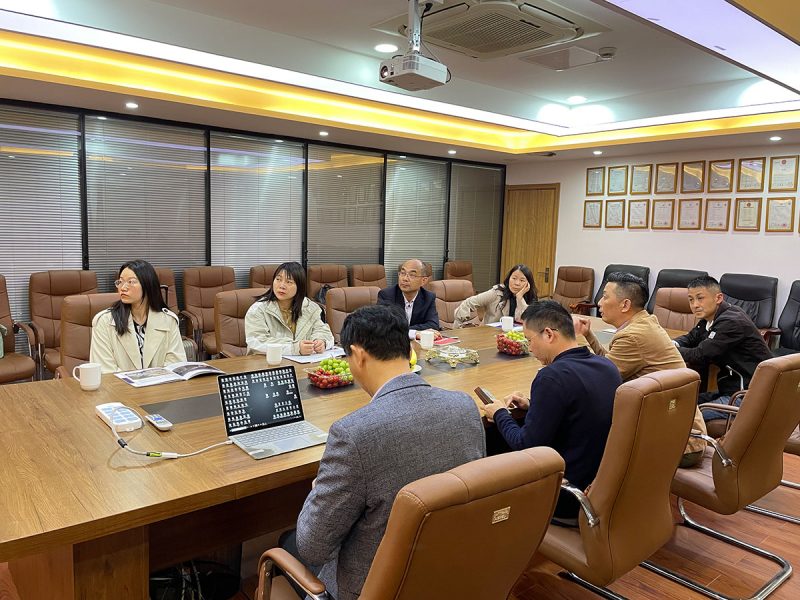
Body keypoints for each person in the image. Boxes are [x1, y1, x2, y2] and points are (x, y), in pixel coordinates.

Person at [293, 304, 485, 600]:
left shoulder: (353, 433)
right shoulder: (464, 406)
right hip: (448, 573)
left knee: (290, 543)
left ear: (357, 355)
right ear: (409, 349)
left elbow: (312, 547)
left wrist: (318, 491)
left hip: (375, 587)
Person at [483, 301, 620, 523]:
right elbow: (579, 409)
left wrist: (499, 413)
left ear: (548, 334)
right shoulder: (607, 366)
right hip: (601, 485)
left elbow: (525, 445)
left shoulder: (552, 377)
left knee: (492, 438)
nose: (530, 348)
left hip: (566, 494)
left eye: (529, 340)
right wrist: (532, 405)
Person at [573, 271, 707, 467]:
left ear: (625, 305)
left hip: (680, 444)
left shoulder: (633, 336)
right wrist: (589, 335)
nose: (599, 302)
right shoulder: (644, 322)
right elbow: (608, 366)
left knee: (583, 422)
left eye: (605, 296)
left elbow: (601, 379)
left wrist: (565, 354)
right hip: (682, 433)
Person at [674, 275, 772, 420]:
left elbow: (700, 355)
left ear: (718, 298)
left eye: (700, 298)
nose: (695, 305)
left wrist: (668, 350)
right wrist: (672, 344)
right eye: (691, 299)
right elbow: (690, 338)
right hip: (730, 388)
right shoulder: (711, 317)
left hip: (748, 394)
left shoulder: (731, 321)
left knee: (687, 416)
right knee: (678, 404)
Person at [90, 259, 186, 373]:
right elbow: (105, 371)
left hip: (162, 384)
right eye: (120, 282)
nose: (123, 287)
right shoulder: (104, 321)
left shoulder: (168, 320)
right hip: (119, 385)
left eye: (131, 282)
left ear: (148, 285)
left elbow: (176, 365)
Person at [245, 261, 333, 356]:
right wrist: (294, 348)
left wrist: (321, 341)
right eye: (278, 279)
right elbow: (256, 342)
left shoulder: (310, 308)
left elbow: (323, 331)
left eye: (289, 282)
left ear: (300, 286)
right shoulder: (258, 309)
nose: (281, 286)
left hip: (301, 362)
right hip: (266, 362)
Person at [453, 263, 537, 328]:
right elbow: (468, 303)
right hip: (490, 335)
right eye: (514, 278)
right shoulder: (497, 293)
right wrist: (460, 327)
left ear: (528, 283)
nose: (517, 283)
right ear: (509, 279)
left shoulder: (530, 297)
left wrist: (519, 298)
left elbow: (526, 320)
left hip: (517, 337)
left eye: (522, 280)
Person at [377, 258, 441, 340]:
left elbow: (433, 325)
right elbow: (383, 327)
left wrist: (403, 330)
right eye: (402, 273)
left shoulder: (428, 297)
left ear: (423, 281)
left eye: (412, 275)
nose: (405, 279)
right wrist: (414, 333)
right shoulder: (387, 295)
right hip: (393, 344)